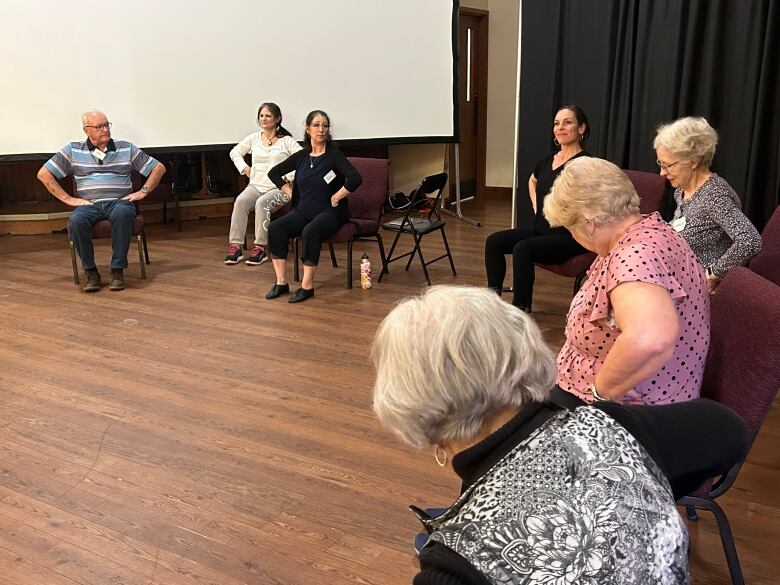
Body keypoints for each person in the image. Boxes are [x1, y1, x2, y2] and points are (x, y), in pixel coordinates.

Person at [371, 285, 746, 585]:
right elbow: (727, 429)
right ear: (521, 349)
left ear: (416, 413)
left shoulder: (453, 566)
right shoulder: (609, 427)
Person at [543, 156, 710, 405]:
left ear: (589, 224)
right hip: (638, 392)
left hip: (629, 410)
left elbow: (650, 338)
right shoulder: (652, 228)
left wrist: (600, 393)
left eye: (570, 228)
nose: (572, 236)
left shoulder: (634, 255)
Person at [36, 110, 166, 292]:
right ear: (86, 130)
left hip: (119, 202)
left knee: (122, 213)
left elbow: (158, 168)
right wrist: (68, 199)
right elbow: (43, 174)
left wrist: (143, 192)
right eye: (99, 126)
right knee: (76, 221)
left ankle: (117, 270)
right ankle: (91, 272)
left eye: (106, 125)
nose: (105, 130)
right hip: (90, 204)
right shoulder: (73, 149)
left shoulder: (126, 148)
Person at [484, 105, 591, 311]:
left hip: (569, 236)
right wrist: (536, 204)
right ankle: (492, 304)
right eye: (556, 123)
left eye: (567, 122)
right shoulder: (549, 159)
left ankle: (519, 310)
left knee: (523, 249)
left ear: (581, 129)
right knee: (494, 241)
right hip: (541, 230)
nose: (560, 128)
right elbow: (532, 180)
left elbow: (593, 200)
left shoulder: (586, 163)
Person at [654, 116, 761, 292]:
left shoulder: (715, 195)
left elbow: (750, 241)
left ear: (693, 161)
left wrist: (713, 273)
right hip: (676, 276)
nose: (661, 173)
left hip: (697, 290)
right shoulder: (681, 190)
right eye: (660, 164)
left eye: (668, 165)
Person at [265, 110, 362, 303]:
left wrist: (338, 195)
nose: (321, 129)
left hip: (332, 211)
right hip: (304, 210)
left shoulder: (334, 156)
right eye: (316, 125)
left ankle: (307, 287)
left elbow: (355, 178)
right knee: (276, 228)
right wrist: (289, 191)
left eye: (325, 125)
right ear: (307, 129)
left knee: (310, 231)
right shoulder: (301, 156)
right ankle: (281, 282)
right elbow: (274, 173)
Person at [225, 102, 302, 265]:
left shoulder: (286, 141)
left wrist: (288, 177)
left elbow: (303, 160)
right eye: (261, 116)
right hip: (256, 185)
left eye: (268, 115)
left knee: (262, 204)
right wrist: (245, 168)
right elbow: (235, 152)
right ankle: (235, 246)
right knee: (240, 202)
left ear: (278, 118)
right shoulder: (254, 138)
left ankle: (260, 247)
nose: (264, 119)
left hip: (279, 188)